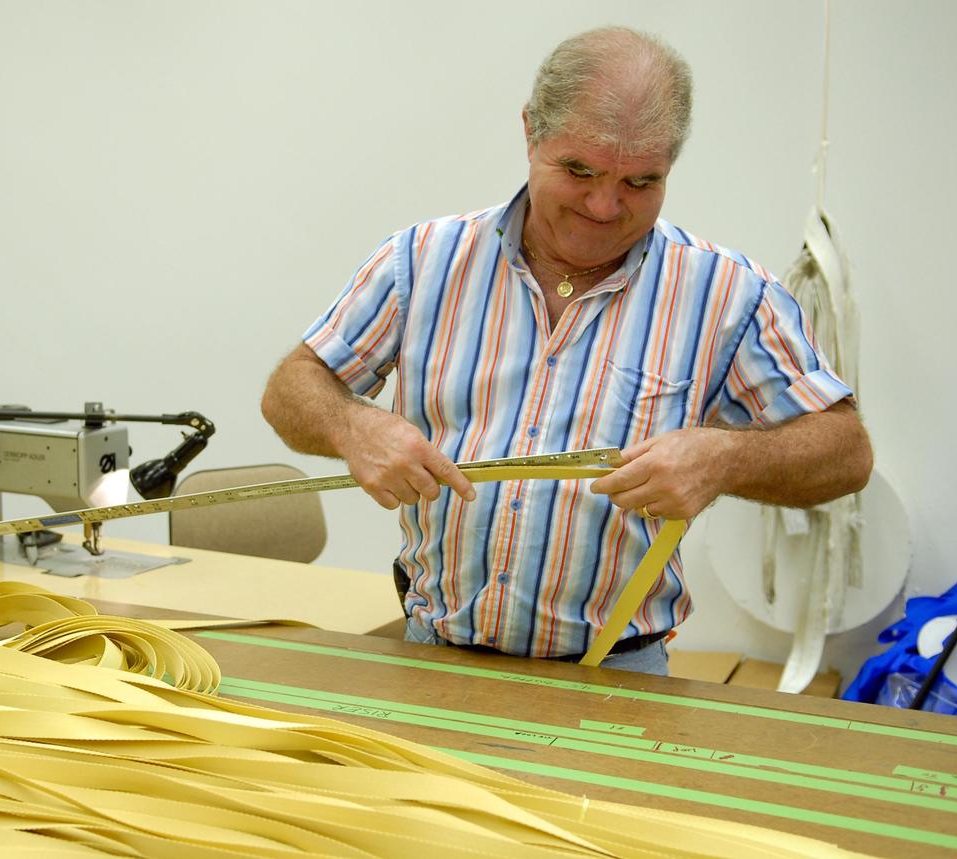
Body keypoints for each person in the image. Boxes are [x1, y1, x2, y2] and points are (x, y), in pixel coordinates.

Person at [259, 26, 872, 674]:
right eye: (578, 170)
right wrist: (352, 423)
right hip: (434, 657)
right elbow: (291, 387)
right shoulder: (422, 261)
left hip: (616, 669)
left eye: (641, 181)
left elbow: (846, 452)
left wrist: (724, 458)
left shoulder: (726, 294)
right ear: (530, 133)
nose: (605, 205)